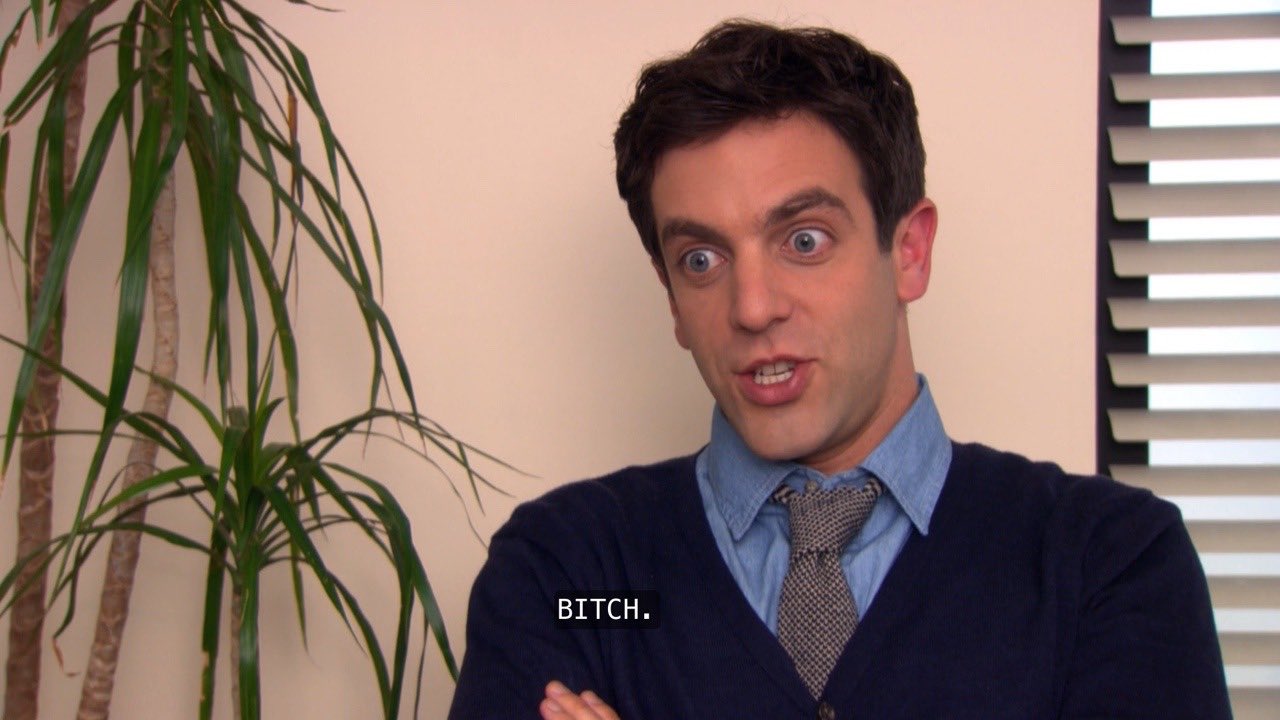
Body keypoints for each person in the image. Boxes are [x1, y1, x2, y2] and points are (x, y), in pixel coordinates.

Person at [448, 19, 1230, 720]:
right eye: (702, 259)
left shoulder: (1106, 566)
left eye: (804, 241)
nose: (752, 307)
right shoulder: (578, 582)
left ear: (909, 252)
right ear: (672, 299)